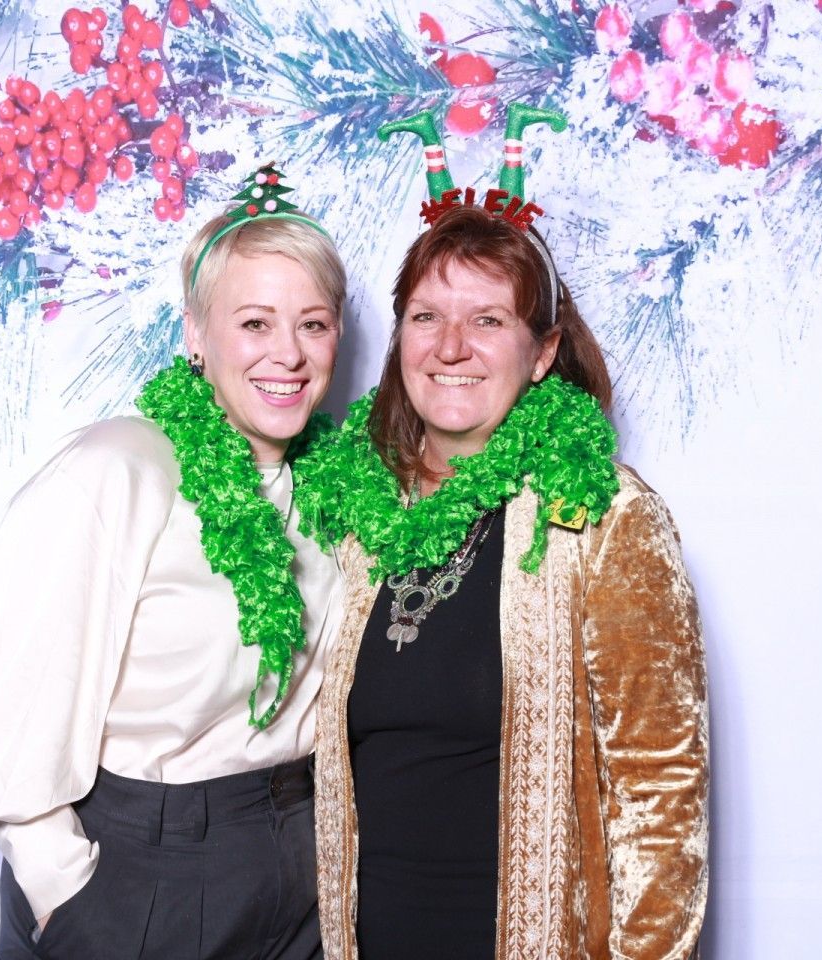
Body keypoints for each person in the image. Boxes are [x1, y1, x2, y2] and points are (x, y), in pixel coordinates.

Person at [0, 167, 348, 960]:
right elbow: (9, 697)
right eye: (254, 323)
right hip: (143, 872)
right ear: (195, 334)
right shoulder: (119, 468)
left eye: (314, 325)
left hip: (299, 868)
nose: (288, 354)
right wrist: (71, 901)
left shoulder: (339, 489)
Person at [297, 204, 709, 959]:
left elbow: (659, 795)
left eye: (487, 320)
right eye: (427, 316)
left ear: (543, 351)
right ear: (399, 341)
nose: (451, 347)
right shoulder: (354, 517)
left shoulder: (600, 514)